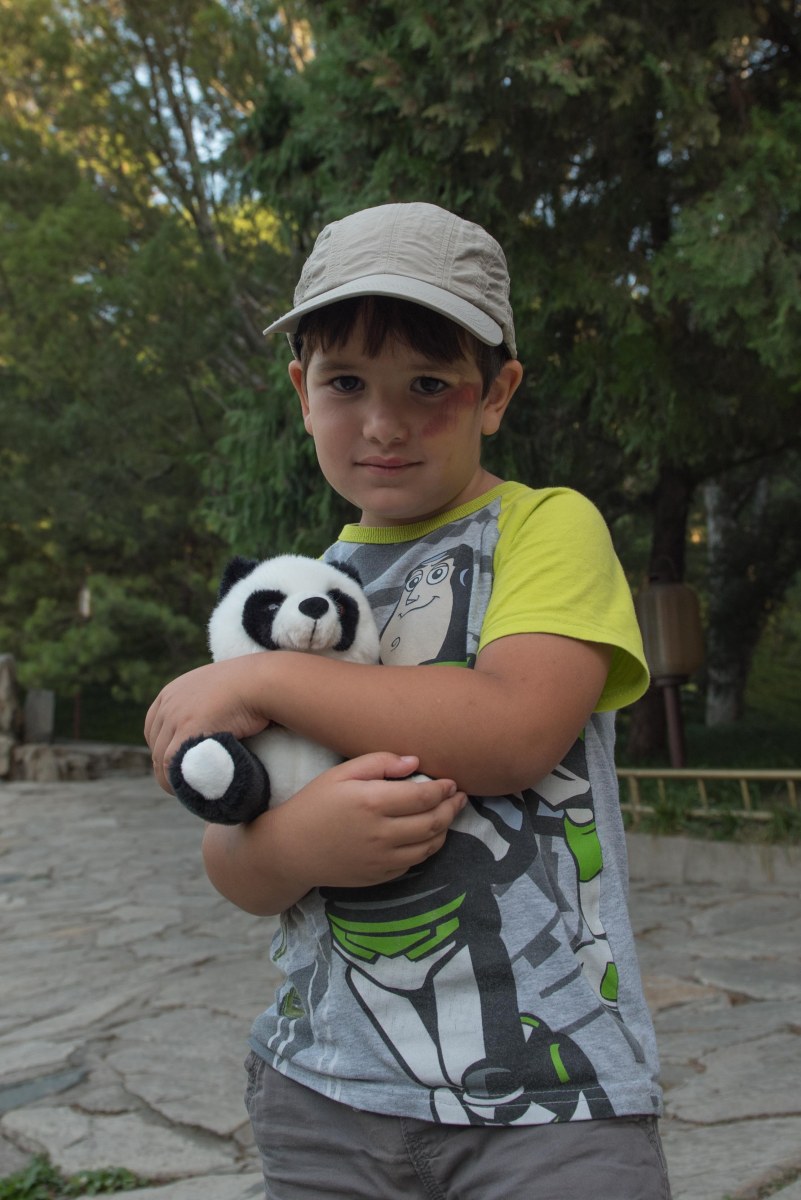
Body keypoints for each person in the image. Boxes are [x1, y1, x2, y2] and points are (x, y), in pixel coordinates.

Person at [145, 202, 671, 1199]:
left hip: (552, 1100)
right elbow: (232, 854)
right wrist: (299, 846)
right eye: (346, 382)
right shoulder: (296, 591)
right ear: (302, 393)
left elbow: (514, 733)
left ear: (496, 394)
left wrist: (261, 678)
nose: (383, 424)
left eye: (428, 384)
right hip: (326, 1095)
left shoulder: (544, 528)